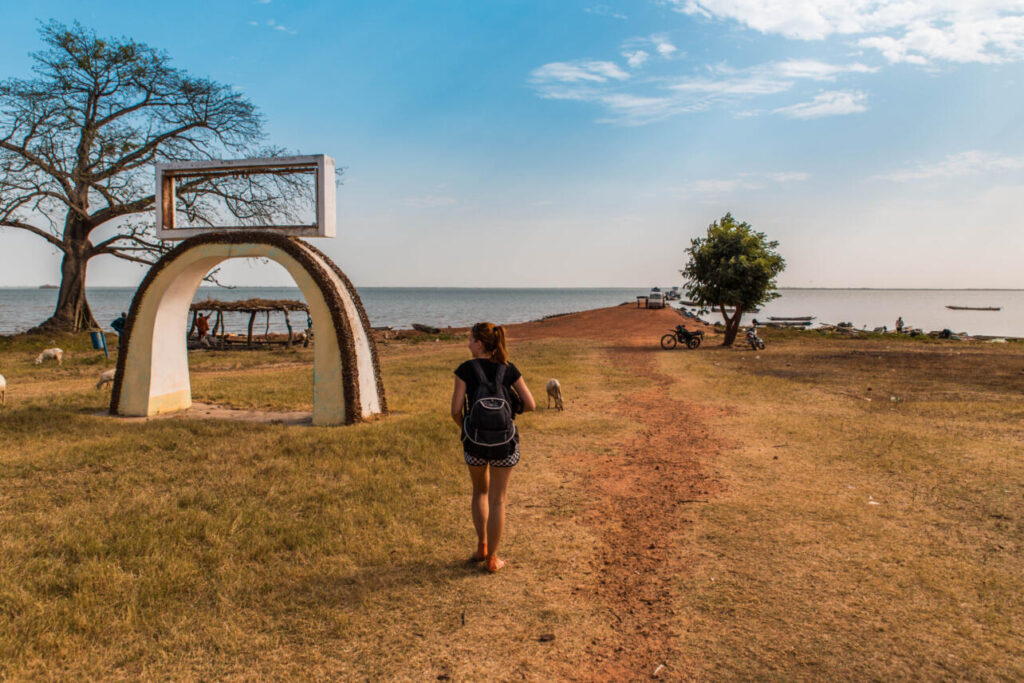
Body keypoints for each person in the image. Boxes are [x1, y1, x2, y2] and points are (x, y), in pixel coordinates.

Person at [450, 322, 535, 573]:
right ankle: (493, 559)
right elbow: (530, 404)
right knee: (499, 499)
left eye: (469, 339)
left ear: (479, 344)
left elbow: (455, 410)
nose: (467, 343)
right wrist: (511, 411)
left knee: (480, 493)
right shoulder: (508, 370)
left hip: (474, 442)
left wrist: (465, 426)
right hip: (504, 444)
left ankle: (481, 546)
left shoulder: (465, 370)